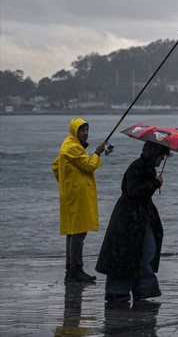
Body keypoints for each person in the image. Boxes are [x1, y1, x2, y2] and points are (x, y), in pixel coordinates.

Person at [96, 141, 167, 302]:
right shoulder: (138, 167)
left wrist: (154, 182)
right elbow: (133, 191)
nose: (163, 158)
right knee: (134, 254)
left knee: (140, 252)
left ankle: (139, 289)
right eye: (162, 155)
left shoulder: (146, 167)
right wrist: (155, 183)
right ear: (155, 153)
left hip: (136, 218)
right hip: (129, 218)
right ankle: (127, 291)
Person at [52, 118, 106, 283]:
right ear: (75, 131)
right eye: (82, 130)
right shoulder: (72, 147)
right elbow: (89, 166)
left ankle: (71, 270)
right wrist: (97, 153)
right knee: (78, 233)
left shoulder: (70, 145)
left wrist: (67, 182)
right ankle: (76, 270)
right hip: (77, 198)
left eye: (87, 130)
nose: (86, 133)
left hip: (73, 196)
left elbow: (55, 166)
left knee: (73, 232)